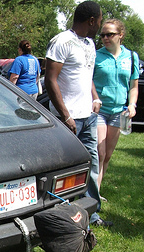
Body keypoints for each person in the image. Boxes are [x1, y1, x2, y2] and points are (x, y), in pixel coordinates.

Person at [45, 1, 111, 227]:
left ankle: (91, 213)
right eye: (100, 21)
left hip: (88, 117)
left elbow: (86, 75)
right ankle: (62, 214)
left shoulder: (90, 44)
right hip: (67, 119)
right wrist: (66, 116)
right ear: (91, 20)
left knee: (91, 163)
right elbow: (50, 80)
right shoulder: (61, 41)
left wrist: (95, 97)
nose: (100, 26)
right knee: (64, 169)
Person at [93, 19, 139, 194]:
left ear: (120, 35)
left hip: (119, 112)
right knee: (99, 153)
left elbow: (133, 86)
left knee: (108, 156)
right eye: (103, 34)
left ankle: (97, 190)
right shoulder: (97, 55)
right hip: (99, 112)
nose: (105, 37)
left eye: (109, 34)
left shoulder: (132, 57)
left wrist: (132, 104)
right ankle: (93, 195)